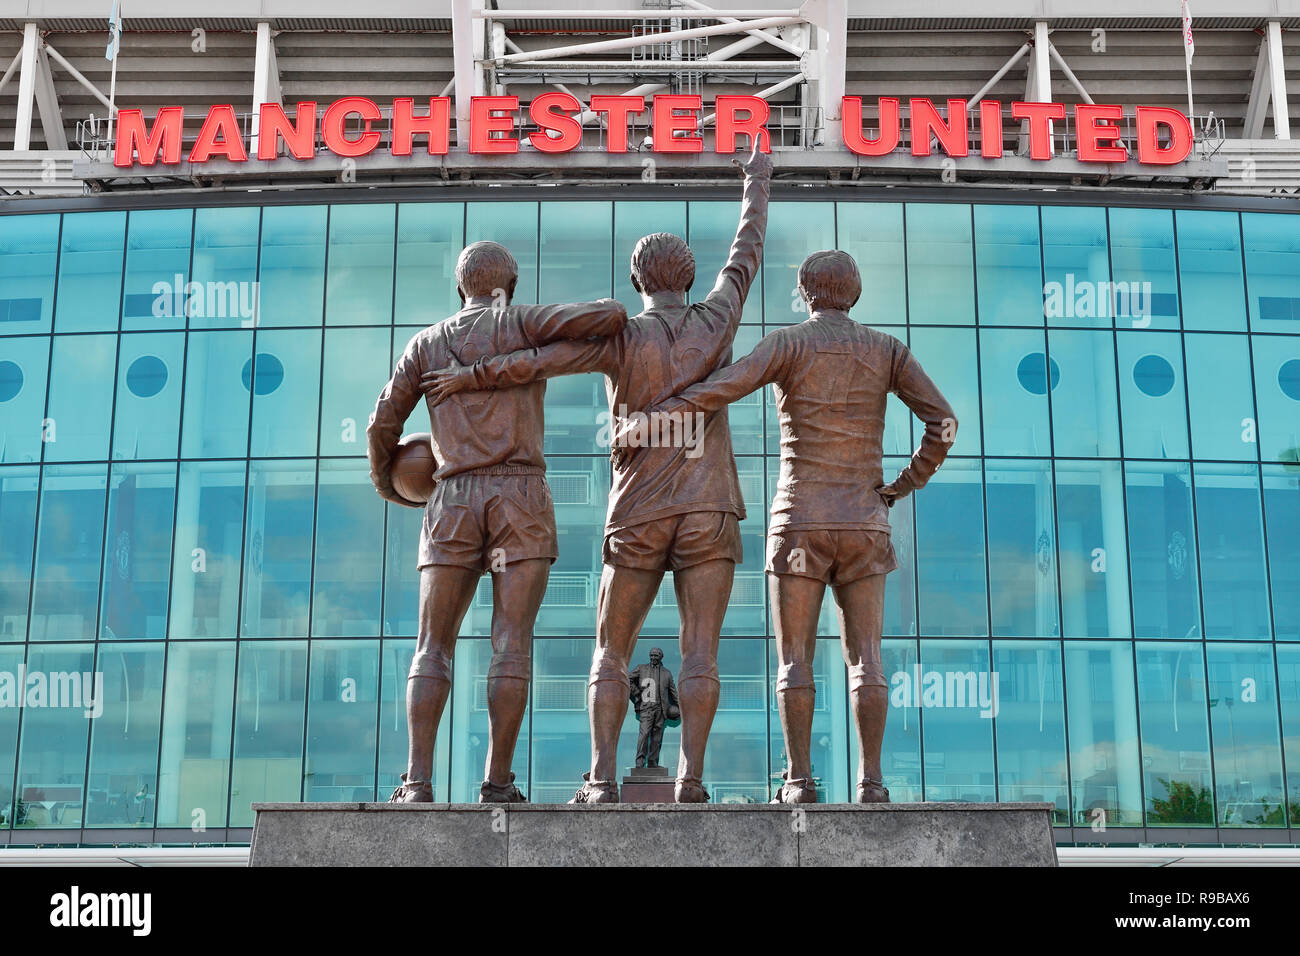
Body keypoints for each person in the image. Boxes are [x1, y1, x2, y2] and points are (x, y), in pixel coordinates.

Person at [420, 145, 772, 803]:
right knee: (701, 652)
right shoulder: (719, 318)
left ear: (638, 282)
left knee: (612, 651)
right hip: (709, 505)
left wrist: (471, 374)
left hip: (637, 507)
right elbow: (746, 251)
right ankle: (691, 783)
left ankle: (602, 780)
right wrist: (756, 178)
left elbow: (539, 361)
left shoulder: (619, 339)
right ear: (688, 280)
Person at [619, 249, 957, 804]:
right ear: (856, 294)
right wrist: (905, 482)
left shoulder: (787, 343)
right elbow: (943, 422)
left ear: (804, 293)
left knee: (794, 657)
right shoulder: (886, 349)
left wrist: (653, 418)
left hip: (799, 519)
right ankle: (871, 784)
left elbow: (723, 388)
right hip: (864, 521)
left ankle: (799, 783)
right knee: (867, 656)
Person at [367, 240, 627, 803]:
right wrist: (517, 333)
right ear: (504, 286)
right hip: (520, 493)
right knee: (511, 642)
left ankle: (416, 784)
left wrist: (391, 487)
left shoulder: (426, 344)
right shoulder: (521, 321)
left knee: (432, 644)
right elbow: (612, 314)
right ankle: (498, 782)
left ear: (461, 289)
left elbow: (379, 426)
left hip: (452, 496)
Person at [628, 647, 680, 769]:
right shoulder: (641, 668)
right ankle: (639, 763)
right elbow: (628, 679)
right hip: (646, 708)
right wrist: (637, 695)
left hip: (660, 710)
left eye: (656, 656)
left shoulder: (666, 673)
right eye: (651, 655)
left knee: (657, 738)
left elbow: (673, 692)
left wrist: (681, 707)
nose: (653, 658)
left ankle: (652, 762)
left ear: (661, 657)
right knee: (644, 735)